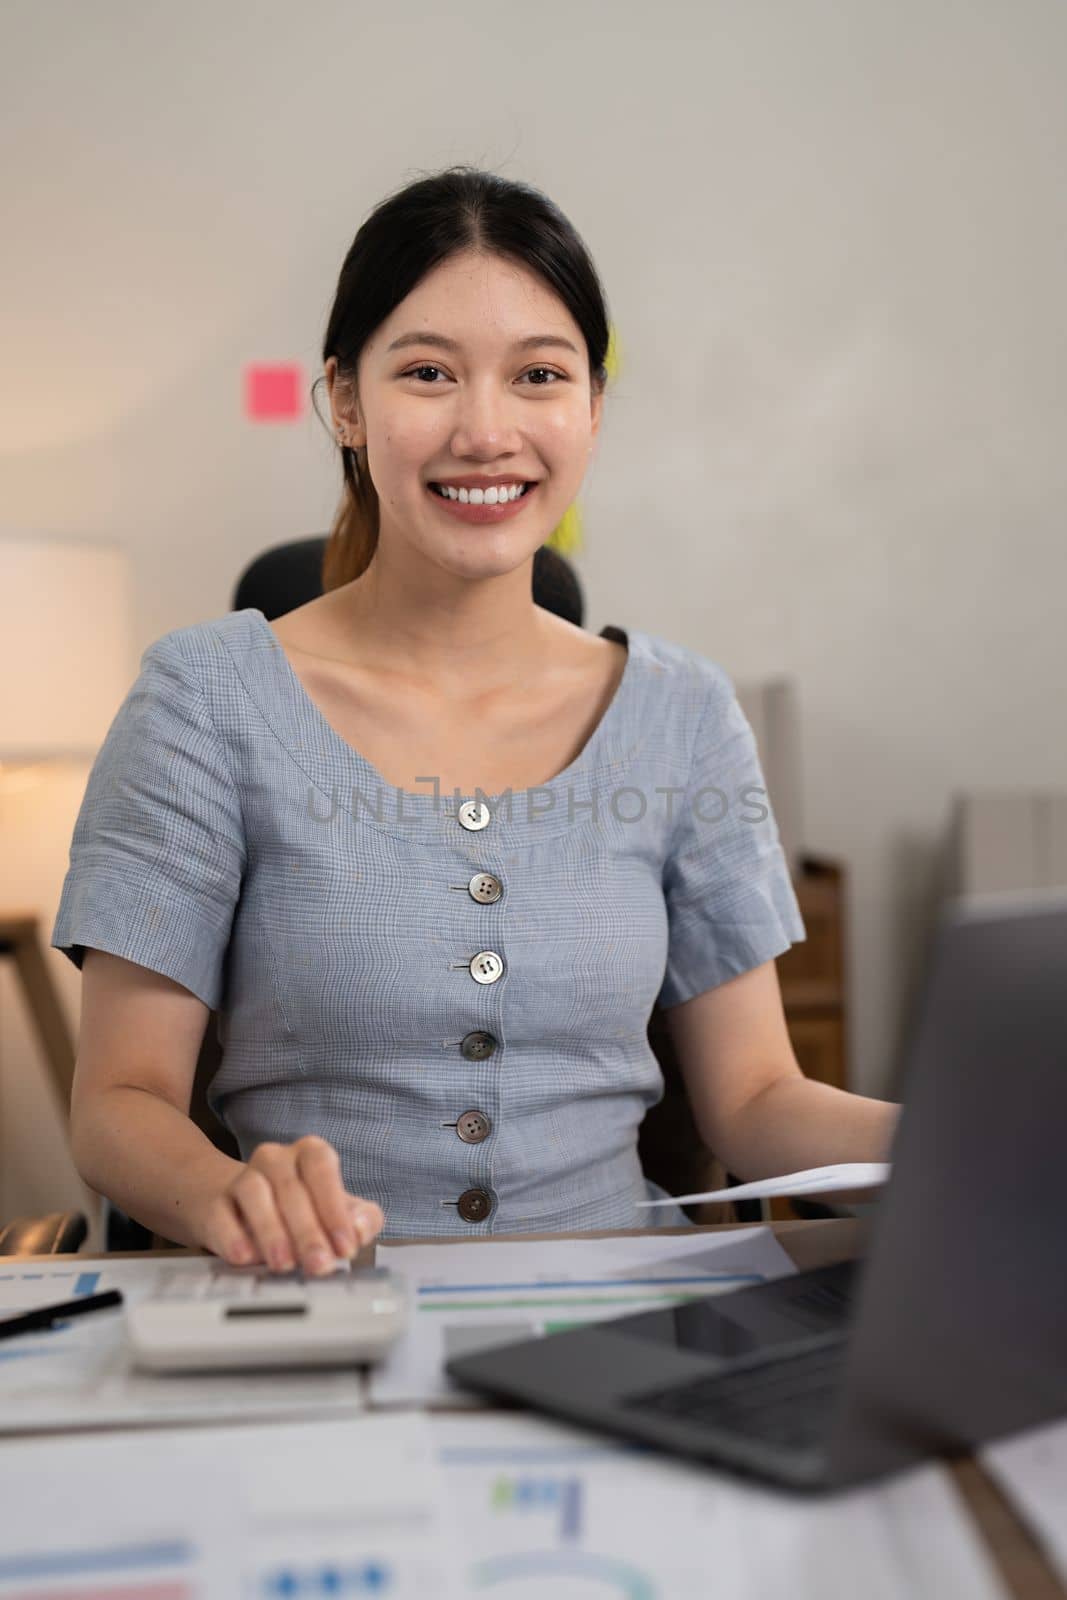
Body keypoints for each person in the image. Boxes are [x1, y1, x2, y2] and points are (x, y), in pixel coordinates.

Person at [52, 165, 899, 1277]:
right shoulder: (201, 701)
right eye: (427, 373)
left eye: (538, 375)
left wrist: (951, 1150)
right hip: (316, 1306)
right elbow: (120, 1098)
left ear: (591, 408)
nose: (485, 429)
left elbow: (752, 1097)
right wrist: (229, 1194)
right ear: (345, 402)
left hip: (622, 1317)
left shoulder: (684, 714)